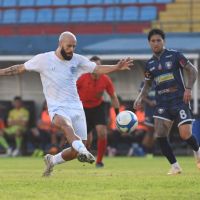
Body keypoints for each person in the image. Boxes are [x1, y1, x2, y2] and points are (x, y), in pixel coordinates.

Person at [0, 31, 133, 176]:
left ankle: (53, 160)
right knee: (65, 126)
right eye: (69, 46)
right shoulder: (43, 59)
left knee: (78, 148)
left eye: (74, 46)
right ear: (60, 44)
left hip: (76, 107)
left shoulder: (77, 60)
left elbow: (97, 69)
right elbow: (19, 68)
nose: (71, 49)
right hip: (56, 106)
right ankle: (83, 151)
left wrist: (116, 67)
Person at [134, 28, 200, 175]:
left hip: (179, 100)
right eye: (153, 41)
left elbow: (193, 70)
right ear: (149, 43)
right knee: (160, 135)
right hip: (162, 103)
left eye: (159, 40)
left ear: (164, 41)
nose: (156, 43)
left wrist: (188, 89)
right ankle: (175, 166)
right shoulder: (149, 64)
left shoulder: (175, 55)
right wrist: (140, 98)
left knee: (185, 134)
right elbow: (148, 83)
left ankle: (197, 150)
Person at [77, 56, 120, 167]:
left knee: (102, 132)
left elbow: (113, 97)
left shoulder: (105, 79)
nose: (97, 68)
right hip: (83, 108)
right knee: (86, 139)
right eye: (94, 66)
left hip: (98, 107)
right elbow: (71, 92)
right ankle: (86, 153)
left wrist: (117, 114)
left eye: (98, 66)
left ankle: (99, 161)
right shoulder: (82, 78)